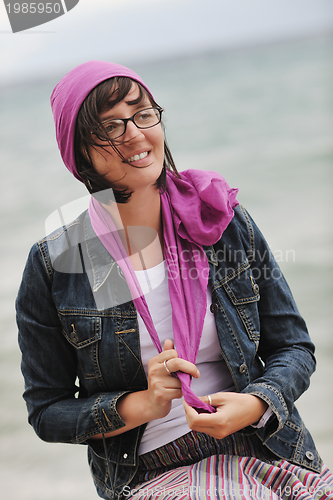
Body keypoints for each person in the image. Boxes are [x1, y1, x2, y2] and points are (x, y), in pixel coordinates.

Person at [16, 61, 333, 500]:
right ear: (79, 151)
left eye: (142, 114)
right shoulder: (62, 262)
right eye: (110, 126)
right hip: (153, 473)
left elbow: (294, 347)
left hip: (266, 448)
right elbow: (47, 412)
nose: (134, 134)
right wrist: (143, 403)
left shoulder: (219, 217)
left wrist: (257, 402)